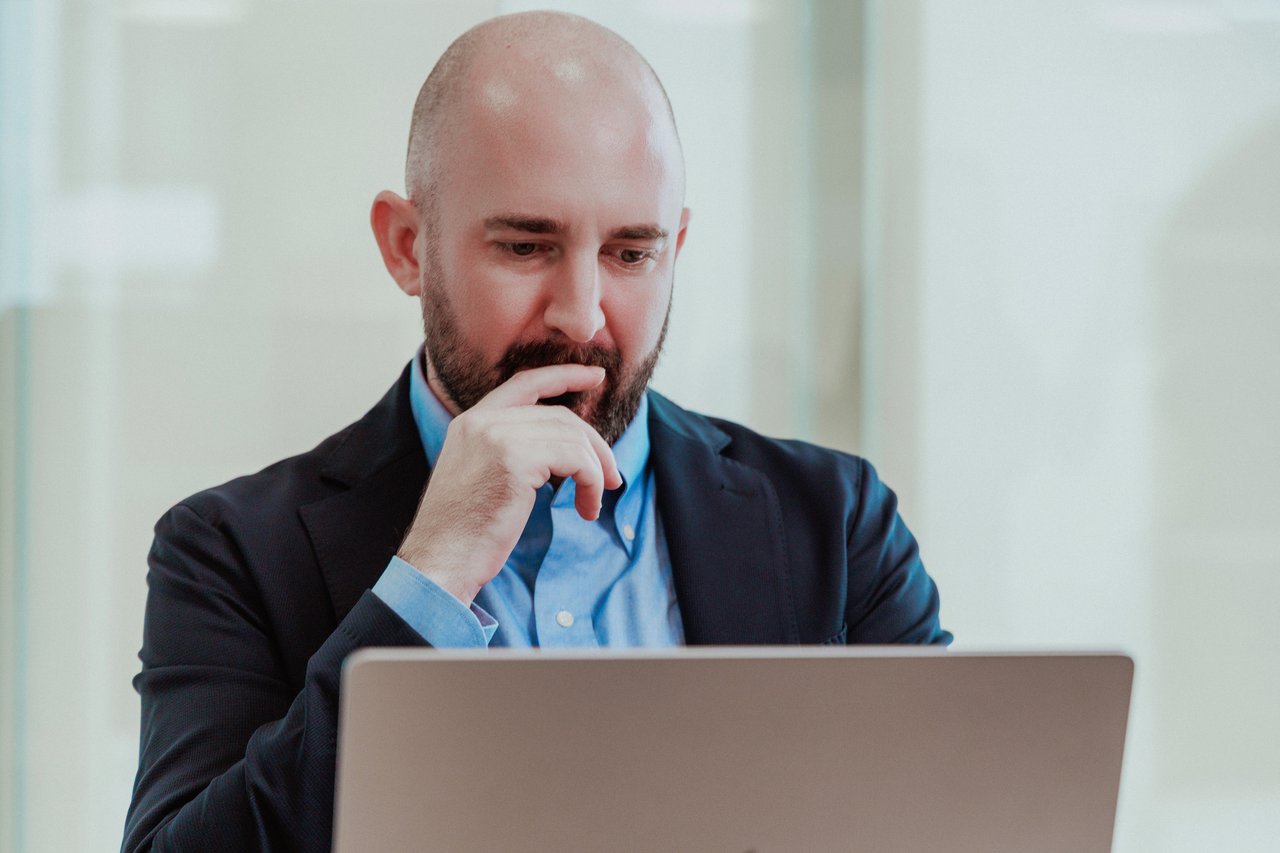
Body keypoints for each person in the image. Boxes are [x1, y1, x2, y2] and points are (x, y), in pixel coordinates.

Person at [122, 10, 950, 853]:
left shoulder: (838, 524)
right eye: (526, 246)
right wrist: (431, 576)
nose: (582, 315)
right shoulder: (229, 550)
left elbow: (964, 817)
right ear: (408, 246)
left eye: (632, 254)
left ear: (678, 248)